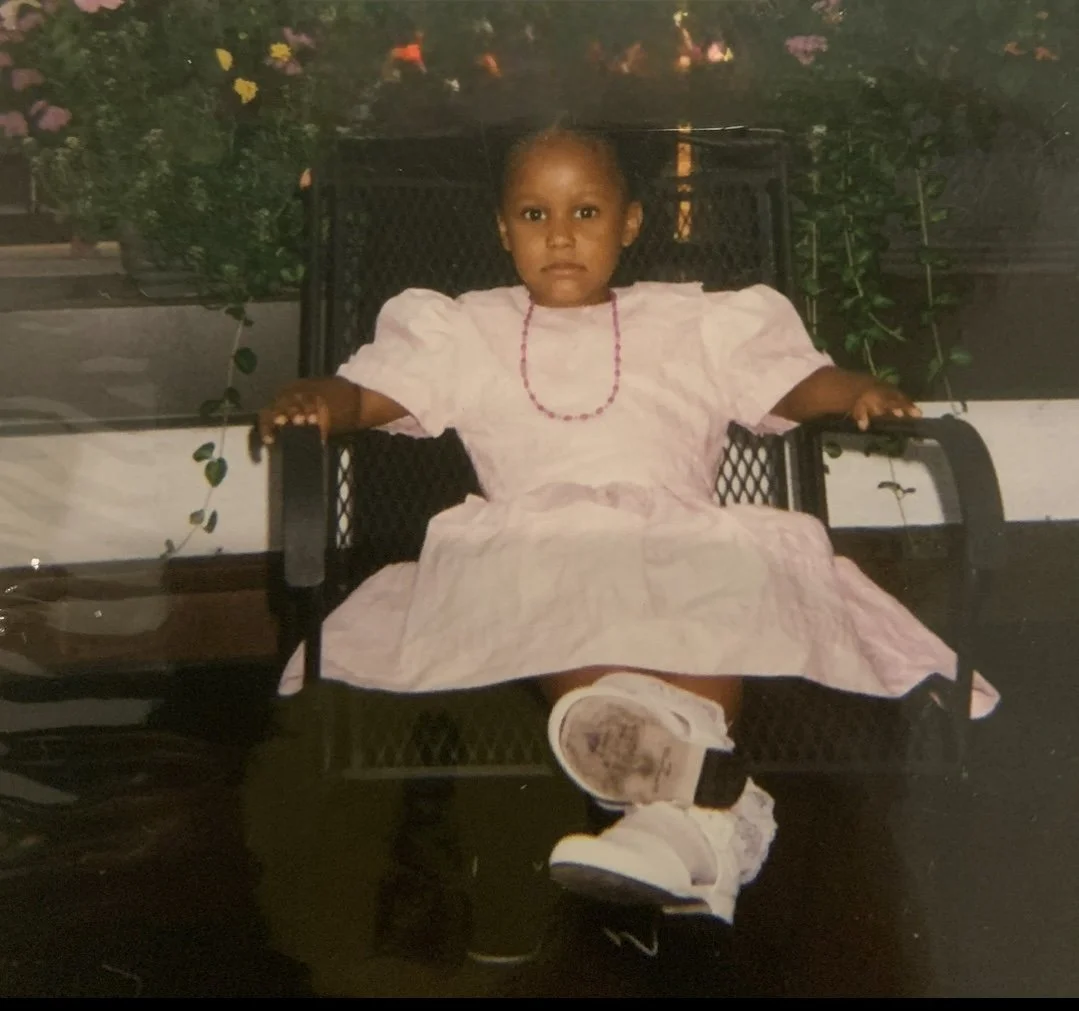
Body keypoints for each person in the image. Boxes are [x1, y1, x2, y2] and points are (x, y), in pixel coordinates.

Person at [259, 125, 998, 922]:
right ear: (503, 231)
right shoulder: (464, 330)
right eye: (534, 216)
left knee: (717, 575)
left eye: (585, 211)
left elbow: (789, 381)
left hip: (678, 534)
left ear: (631, 224)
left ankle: (677, 820)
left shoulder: (692, 323)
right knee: (557, 591)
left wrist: (853, 388)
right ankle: (705, 806)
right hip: (538, 540)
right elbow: (371, 395)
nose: (562, 235)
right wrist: (318, 403)